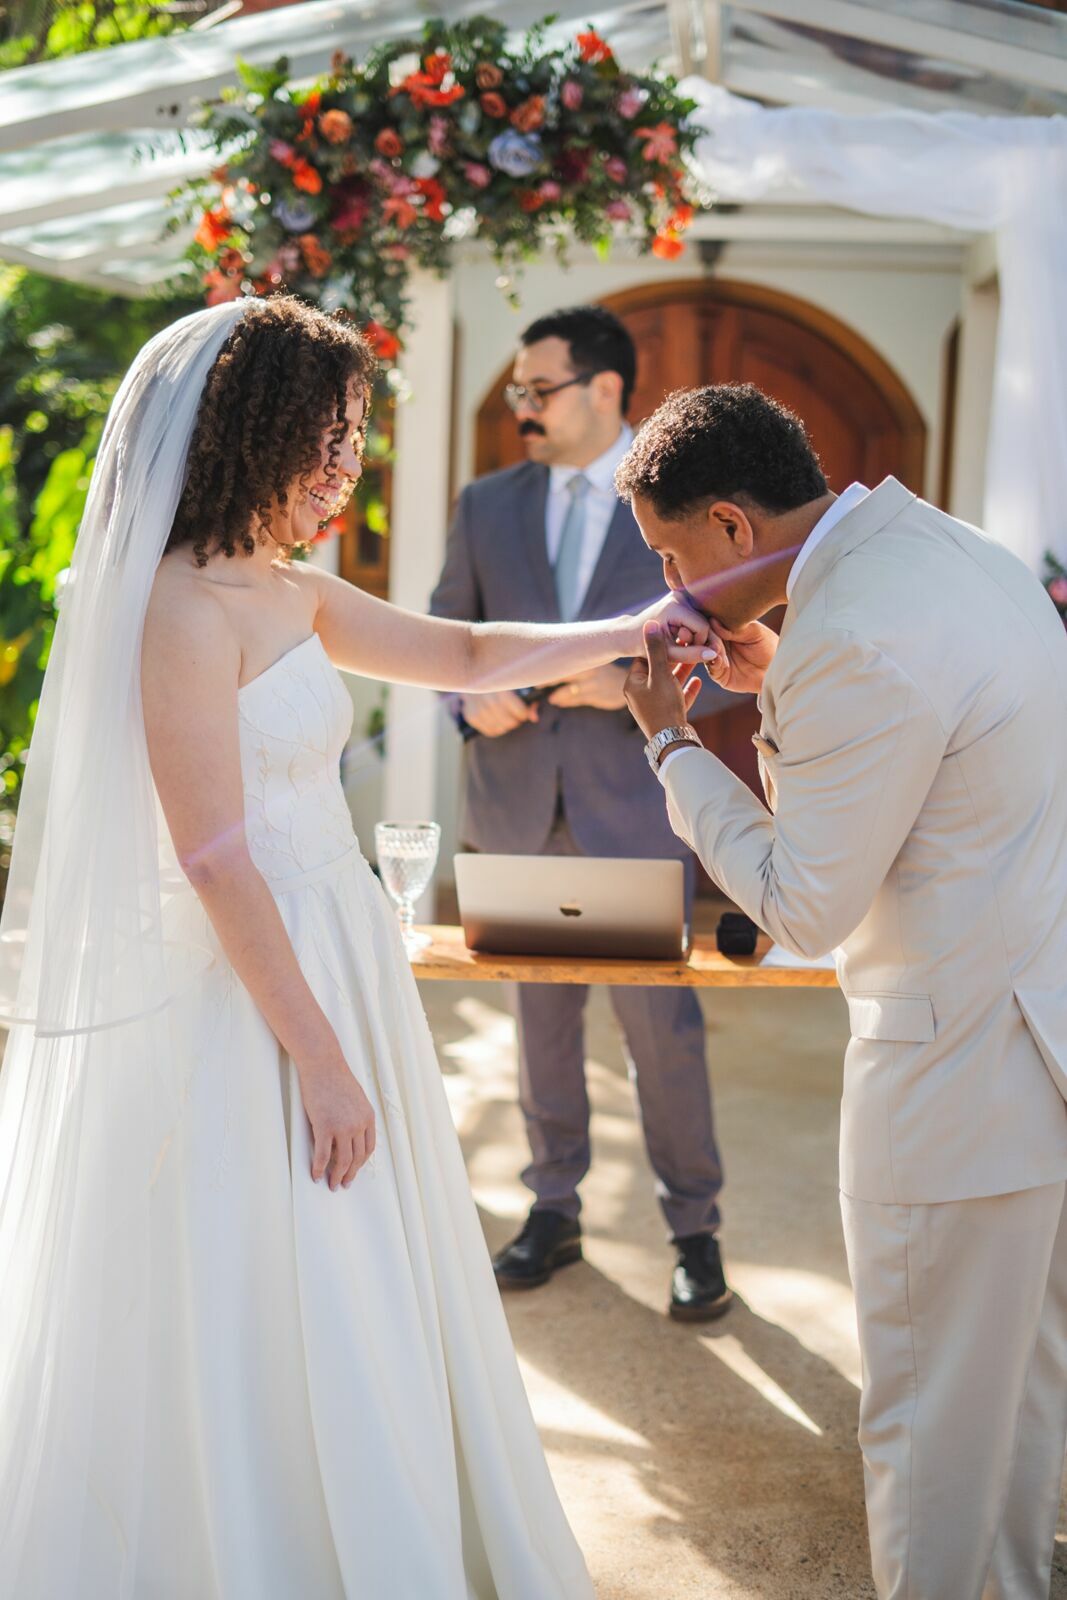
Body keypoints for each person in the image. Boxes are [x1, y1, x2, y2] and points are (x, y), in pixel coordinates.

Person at [0, 296, 714, 1599]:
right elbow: (213, 855)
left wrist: (637, 629)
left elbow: (466, 649)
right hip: (246, 986)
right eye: (325, 442)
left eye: (351, 443)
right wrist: (320, 1058)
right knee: (262, 1268)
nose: (344, 468)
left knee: (363, 1264)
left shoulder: (288, 588)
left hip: (332, 949)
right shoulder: (175, 609)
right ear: (250, 432)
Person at [617, 382, 1067, 1600]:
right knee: (1017, 1401)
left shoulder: (851, 635)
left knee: (922, 1419)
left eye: (669, 554)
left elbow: (804, 904)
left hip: (951, 1070)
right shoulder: (955, 553)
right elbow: (931, 752)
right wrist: (778, 670)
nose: (670, 587)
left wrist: (670, 743)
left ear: (725, 523)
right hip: (1037, 1038)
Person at [430, 304, 730, 1322]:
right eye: (516, 390)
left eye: (537, 389)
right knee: (538, 1025)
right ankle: (550, 1207)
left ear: (606, 389)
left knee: (662, 1033)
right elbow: (438, 641)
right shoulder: (483, 503)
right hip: (512, 806)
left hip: (635, 812)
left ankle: (694, 1228)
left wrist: (644, 693)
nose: (520, 407)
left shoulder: (686, 505)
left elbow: (734, 666)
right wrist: (465, 700)